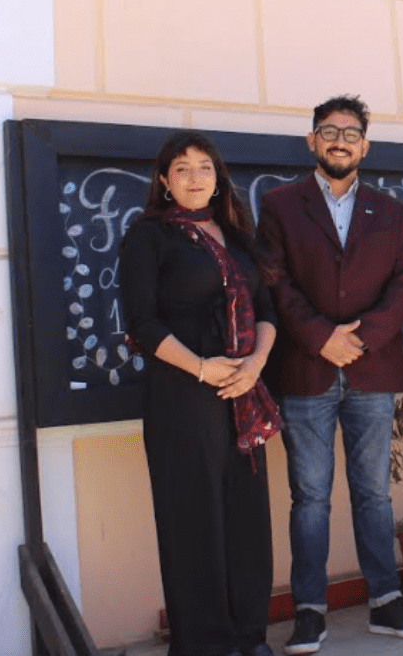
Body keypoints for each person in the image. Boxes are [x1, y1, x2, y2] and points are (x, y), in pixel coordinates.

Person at [258, 97, 403, 654]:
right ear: (312, 141)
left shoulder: (390, 210)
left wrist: (361, 339)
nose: (340, 140)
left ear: (365, 145)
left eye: (351, 133)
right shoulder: (279, 206)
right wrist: (320, 337)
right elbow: (274, 280)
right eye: (329, 131)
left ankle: (386, 600)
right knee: (309, 497)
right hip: (304, 368)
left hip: (370, 368)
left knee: (374, 494)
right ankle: (309, 610)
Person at [118, 131, 282, 656]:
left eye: (205, 167)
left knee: (246, 519)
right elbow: (142, 323)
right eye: (182, 168)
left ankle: (249, 636)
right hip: (182, 396)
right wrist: (201, 368)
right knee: (194, 522)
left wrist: (254, 365)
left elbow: (267, 311)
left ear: (218, 178)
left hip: (242, 393)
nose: (195, 177)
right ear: (164, 181)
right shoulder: (149, 237)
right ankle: (207, 645)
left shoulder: (237, 237)